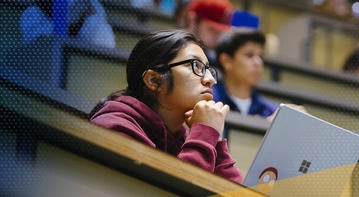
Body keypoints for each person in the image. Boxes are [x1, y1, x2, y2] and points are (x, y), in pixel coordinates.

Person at [89, 30, 243, 183]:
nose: (210, 80)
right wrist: (205, 134)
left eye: (209, 69)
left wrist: (213, 138)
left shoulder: (183, 136)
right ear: (154, 81)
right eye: (196, 66)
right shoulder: (115, 128)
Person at [213, 29, 304, 121]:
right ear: (226, 61)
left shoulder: (272, 112)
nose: (258, 62)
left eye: (260, 56)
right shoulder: (208, 100)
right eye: (249, 55)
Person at [20, 0, 115, 48]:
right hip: (45, 78)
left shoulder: (91, 7)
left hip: (86, 71)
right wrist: (76, 26)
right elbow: (47, 53)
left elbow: (106, 48)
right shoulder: (30, 16)